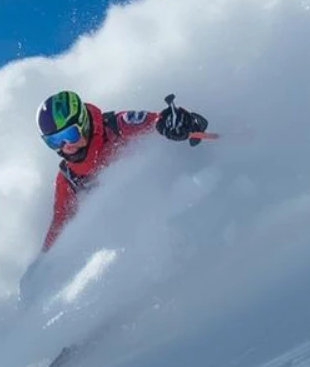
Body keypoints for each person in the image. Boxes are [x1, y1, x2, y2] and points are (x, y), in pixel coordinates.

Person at [37, 90, 208, 251]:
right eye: (54, 141)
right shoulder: (68, 178)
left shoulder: (115, 127)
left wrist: (174, 122)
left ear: (83, 123)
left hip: (174, 206)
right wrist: (46, 260)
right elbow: (60, 223)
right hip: (128, 240)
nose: (65, 145)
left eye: (70, 134)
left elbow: (152, 121)